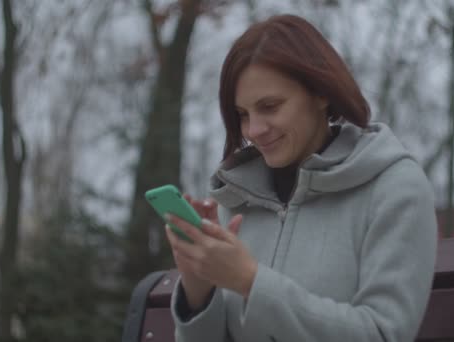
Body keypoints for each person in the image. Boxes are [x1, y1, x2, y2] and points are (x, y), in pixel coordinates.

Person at [164, 14, 437, 342]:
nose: (253, 130)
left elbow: (382, 334)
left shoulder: (393, 188)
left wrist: (252, 282)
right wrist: (199, 290)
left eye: (270, 106)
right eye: (243, 115)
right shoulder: (238, 199)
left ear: (320, 94)